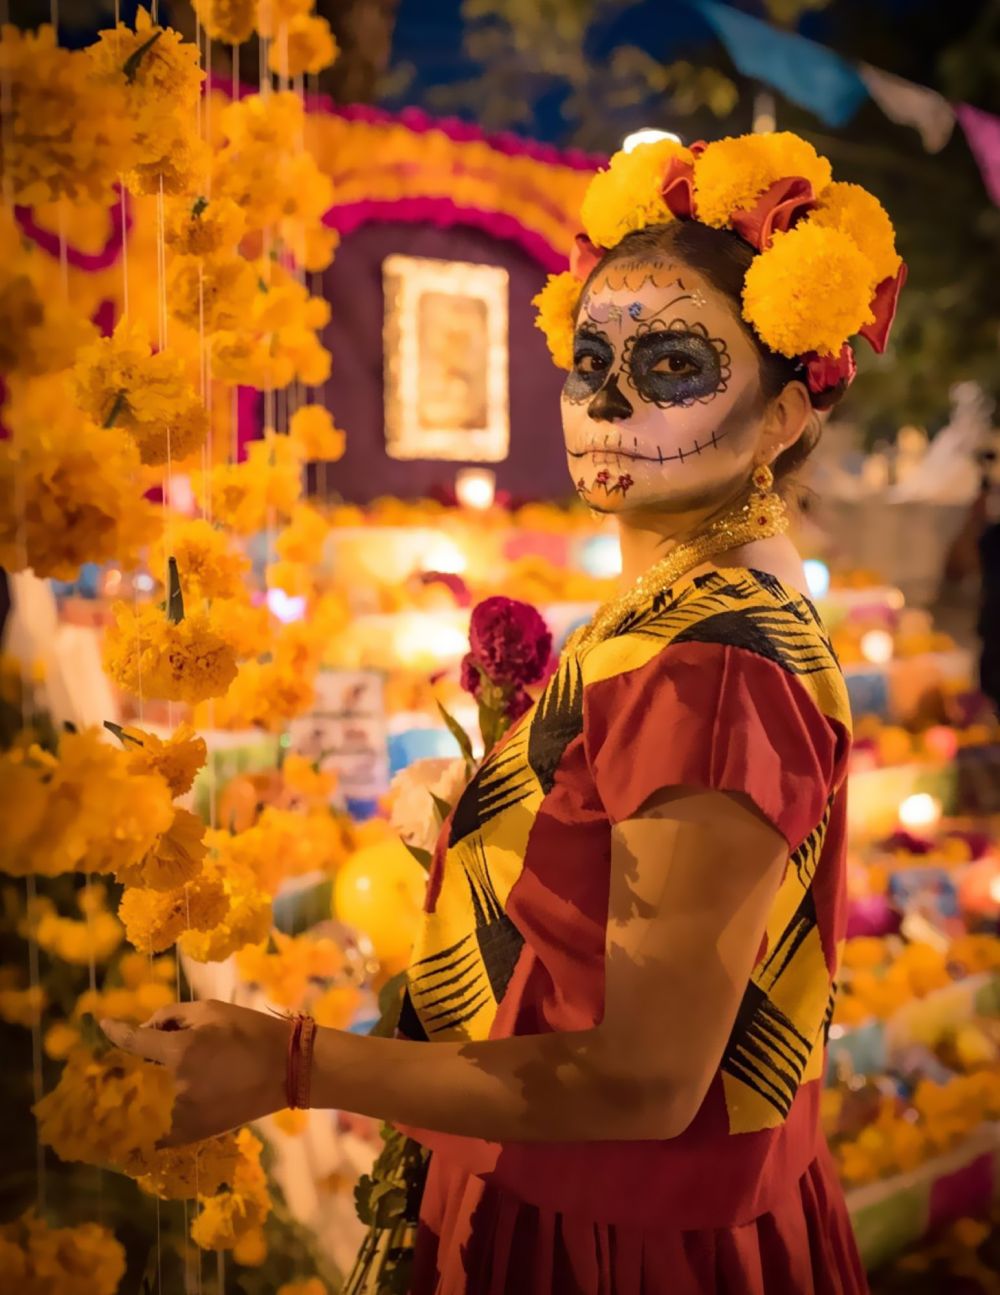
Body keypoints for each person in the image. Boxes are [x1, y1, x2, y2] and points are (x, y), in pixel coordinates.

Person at [102, 131, 907, 1294]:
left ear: (782, 418)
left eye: (674, 365)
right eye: (591, 357)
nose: (608, 399)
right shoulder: (693, 600)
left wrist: (292, 1065)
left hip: (618, 1245)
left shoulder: (711, 669)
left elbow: (642, 1083)